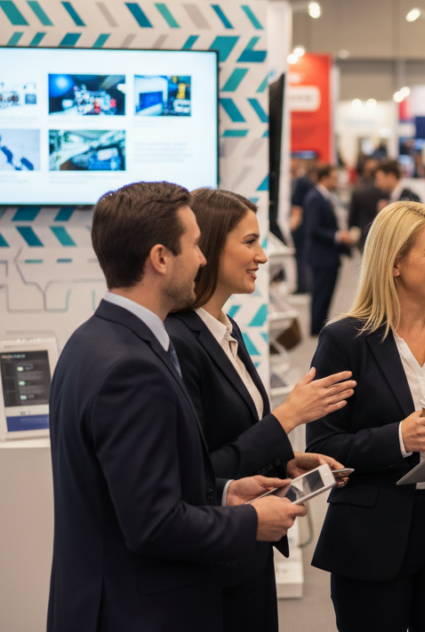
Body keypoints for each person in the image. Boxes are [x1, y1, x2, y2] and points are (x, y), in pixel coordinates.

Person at [47, 182, 306, 632]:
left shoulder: (91, 340)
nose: (202, 260)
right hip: (138, 611)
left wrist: (225, 492)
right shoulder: (130, 368)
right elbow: (153, 524)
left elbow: (135, 491)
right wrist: (249, 521)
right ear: (161, 258)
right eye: (195, 246)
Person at [166, 188, 358, 632]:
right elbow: (195, 472)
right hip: (212, 561)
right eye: (250, 242)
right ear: (209, 247)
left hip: (246, 552)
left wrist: (285, 460)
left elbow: (232, 438)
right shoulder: (178, 341)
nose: (263, 256)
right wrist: (287, 417)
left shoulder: (225, 327)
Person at [305, 201, 425, 632]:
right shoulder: (345, 340)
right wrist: (399, 438)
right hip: (370, 538)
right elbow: (321, 447)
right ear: (394, 263)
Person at [303, 164, 355, 335]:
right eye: (333, 178)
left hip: (329, 255)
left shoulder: (326, 197)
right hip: (321, 256)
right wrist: (338, 236)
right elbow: (313, 229)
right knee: (320, 294)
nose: (336, 181)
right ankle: (316, 328)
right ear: (324, 178)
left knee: (326, 295)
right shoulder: (314, 198)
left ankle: (320, 326)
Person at [288, 157, 315, 292]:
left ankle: (303, 285)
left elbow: (298, 209)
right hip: (303, 225)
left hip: (301, 226)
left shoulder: (301, 182)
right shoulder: (299, 181)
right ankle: (303, 284)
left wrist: (292, 225)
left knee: (301, 256)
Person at [348, 157, 386, 249]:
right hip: (384, 235)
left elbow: (352, 219)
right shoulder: (385, 191)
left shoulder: (358, 191)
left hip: (365, 235)